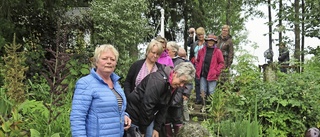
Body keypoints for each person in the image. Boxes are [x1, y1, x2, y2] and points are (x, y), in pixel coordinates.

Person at [70, 44, 131, 137]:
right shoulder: (86, 83)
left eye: (112, 59)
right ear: (96, 62)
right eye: (105, 58)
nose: (109, 62)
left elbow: (115, 108)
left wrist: (124, 115)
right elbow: (77, 118)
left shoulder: (116, 84)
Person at [126, 62, 196, 137]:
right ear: (175, 73)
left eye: (185, 83)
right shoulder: (158, 81)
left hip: (148, 116)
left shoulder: (173, 84)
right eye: (182, 81)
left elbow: (165, 107)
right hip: (135, 114)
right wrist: (142, 131)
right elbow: (147, 106)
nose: (182, 85)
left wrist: (156, 128)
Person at [123, 40, 164, 137]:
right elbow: (128, 82)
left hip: (149, 111)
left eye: (157, 54)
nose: (155, 55)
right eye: (153, 52)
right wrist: (129, 95)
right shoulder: (137, 65)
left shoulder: (160, 69)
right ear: (148, 51)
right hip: (134, 107)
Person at [165, 42, 193, 136]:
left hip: (178, 94)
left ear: (173, 51)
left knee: (177, 117)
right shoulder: (165, 60)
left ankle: (179, 134)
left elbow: (188, 80)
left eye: (167, 50)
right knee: (166, 117)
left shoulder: (181, 62)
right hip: (167, 94)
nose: (166, 51)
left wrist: (186, 93)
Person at [195, 34, 224, 106]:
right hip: (203, 74)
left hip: (212, 75)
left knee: (211, 91)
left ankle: (210, 107)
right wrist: (198, 68)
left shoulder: (218, 51)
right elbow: (197, 61)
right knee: (202, 91)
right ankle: (203, 107)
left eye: (212, 41)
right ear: (206, 41)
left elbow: (221, 63)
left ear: (214, 42)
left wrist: (216, 71)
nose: (210, 42)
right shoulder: (201, 51)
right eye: (209, 40)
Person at [178, 47, 193, 122]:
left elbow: (190, 82)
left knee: (184, 105)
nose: (182, 58)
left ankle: (186, 121)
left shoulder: (189, 65)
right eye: (181, 56)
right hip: (177, 90)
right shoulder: (176, 63)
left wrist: (186, 93)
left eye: (184, 56)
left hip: (184, 90)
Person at [192, 27, 206, 104]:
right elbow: (191, 55)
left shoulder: (206, 44)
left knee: (203, 81)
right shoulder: (194, 44)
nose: (201, 36)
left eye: (202, 34)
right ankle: (198, 98)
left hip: (204, 65)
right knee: (197, 82)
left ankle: (203, 98)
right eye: (199, 35)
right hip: (196, 65)